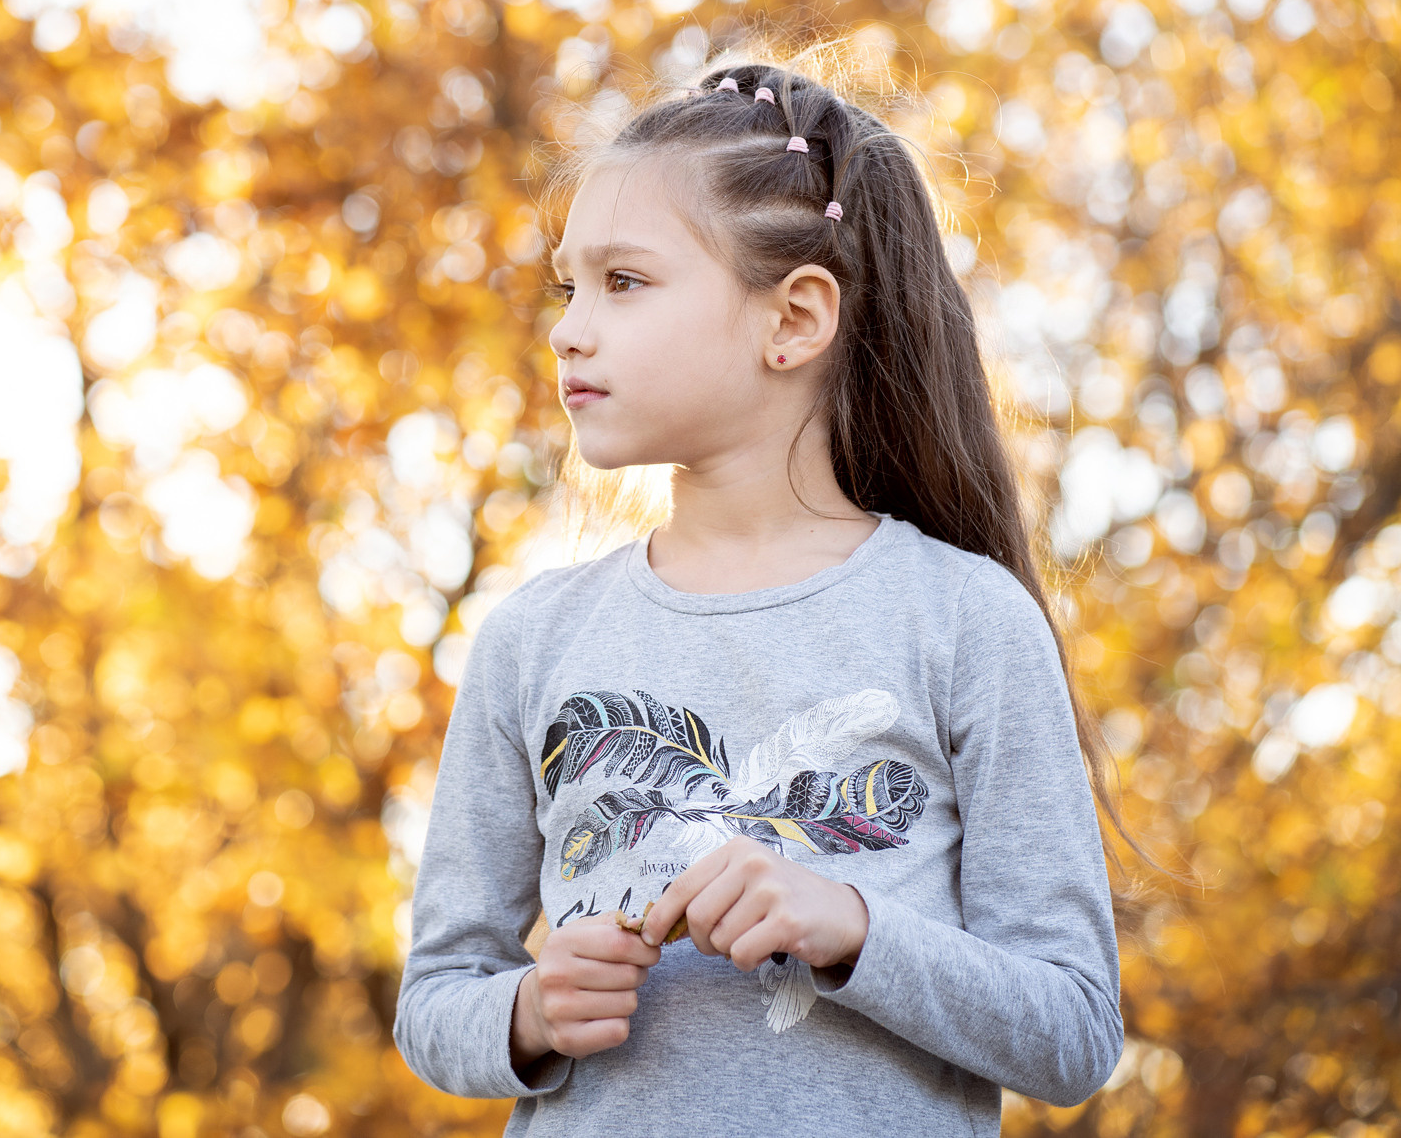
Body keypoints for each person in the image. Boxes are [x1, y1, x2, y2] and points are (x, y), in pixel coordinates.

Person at [391, 58, 1127, 1135]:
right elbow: (435, 996)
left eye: (623, 283)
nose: (567, 330)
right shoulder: (531, 640)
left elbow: (1070, 1031)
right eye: (568, 286)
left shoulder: (963, 622)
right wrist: (529, 1010)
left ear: (792, 320)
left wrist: (851, 926)